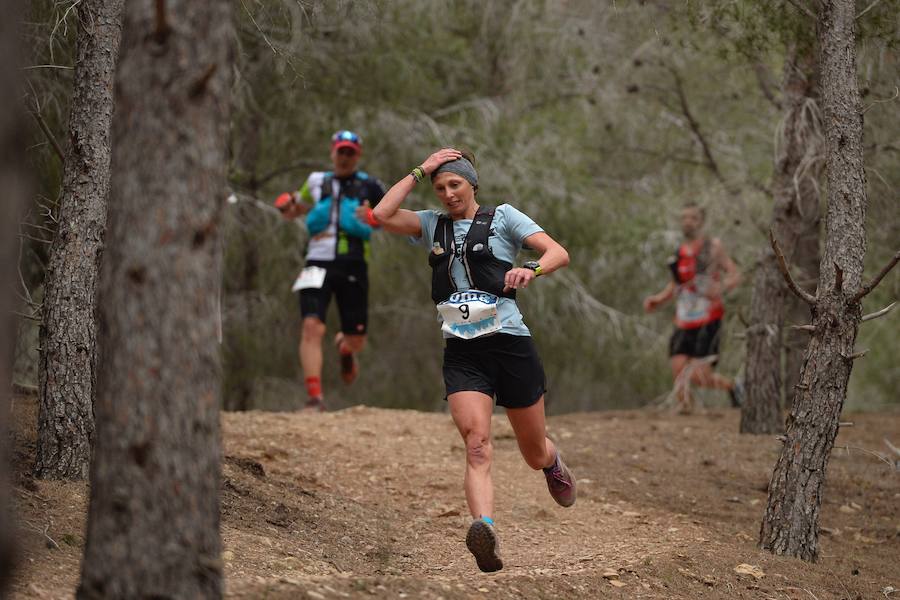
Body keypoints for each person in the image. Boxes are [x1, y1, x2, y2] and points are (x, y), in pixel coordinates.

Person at [371, 148, 576, 573]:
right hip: (463, 352)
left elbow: (558, 252)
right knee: (477, 444)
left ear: (472, 185)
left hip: (510, 343)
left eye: (455, 185)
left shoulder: (503, 217)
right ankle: (484, 529)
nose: (447, 194)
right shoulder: (431, 225)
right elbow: (381, 214)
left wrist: (531, 270)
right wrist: (419, 170)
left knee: (532, 451)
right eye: (440, 187)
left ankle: (551, 463)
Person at [275, 130, 386, 411]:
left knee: (357, 339)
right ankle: (314, 398)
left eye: (351, 152)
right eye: (341, 151)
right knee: (311, 326)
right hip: (316, 261)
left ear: (358, 155)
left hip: (353, 262)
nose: (345, 157)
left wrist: (373, 217)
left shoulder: (370, 186)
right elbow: (295, 210)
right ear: (332, 152)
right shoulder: (315, 181)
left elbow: (390, 216)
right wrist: (286, 206)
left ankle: (346, 347)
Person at [643, 202, 743, 413]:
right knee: (678, 367)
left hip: (708, 318)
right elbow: (676, 284)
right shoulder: (678, 253)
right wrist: (658, 299)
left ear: (702, 222)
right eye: (684, 218)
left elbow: (735, 274)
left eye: (693, 218)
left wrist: (720, 288)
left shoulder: (712, 247)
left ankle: (733, 387)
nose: (688, 222)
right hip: (683, 319)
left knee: (699, 376)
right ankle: (686, 411)